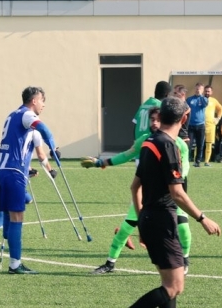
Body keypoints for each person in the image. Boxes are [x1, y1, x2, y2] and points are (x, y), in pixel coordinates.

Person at [129, 98, 221, 308]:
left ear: (160, 116)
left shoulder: (149, 142)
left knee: (169, 284)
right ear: (185, 118)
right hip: (162, 220)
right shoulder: (168, 145)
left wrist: (142, 220)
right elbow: (177, 193)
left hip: (149, 218)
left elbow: (135, 187)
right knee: (174, 287)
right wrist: (202, 218)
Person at [82, 103, 193, 276]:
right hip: (147, 195)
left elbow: (184, 169)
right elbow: (126, 155)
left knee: (184, 229)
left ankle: (185, 260)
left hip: (172, 195)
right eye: (152, 119)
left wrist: (171, 179)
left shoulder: (179, 145)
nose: (154, 123)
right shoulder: (145, 141)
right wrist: (100, 163)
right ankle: (110, 263)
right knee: (125, 229)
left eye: (158, 119)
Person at [0, 86, 58, 274]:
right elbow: (44, 128)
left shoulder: (12, 115)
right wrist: (54, 147)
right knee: (17, 217)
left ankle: (10, 250)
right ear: (34, 100)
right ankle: (15, 264)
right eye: (42, 100)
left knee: (9, 216)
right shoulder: (27, 115)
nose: (43, 105)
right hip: (14, 171)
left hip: (0, 170)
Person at [0, 131, 57, 244]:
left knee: (25, 200)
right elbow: (39, 155)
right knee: (10, 207)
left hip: (2, 172)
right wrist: (50, 170)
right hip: (13, 175)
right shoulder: (32, 133)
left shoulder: (14, 135)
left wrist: (29, 170)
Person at [186, 83, 208, 167]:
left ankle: (197, 161)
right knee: (189, 144)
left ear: (202, 90)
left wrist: (201, 96)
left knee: (200, 144)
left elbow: (205, 104)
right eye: (196, 88)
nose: (197, 90)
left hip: (200, 125)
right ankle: (187, 160)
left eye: (199, 89)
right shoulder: (189, 99)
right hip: (191, 125)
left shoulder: (204, 99)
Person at [203, 85, 222, 166]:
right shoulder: (200, 99)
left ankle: (206, 161)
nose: (207, 93)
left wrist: (218, 118)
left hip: (211, 125)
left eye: (208, 91)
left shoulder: (214, 101)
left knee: (209, 144)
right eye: (206, 91)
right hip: (200, 124)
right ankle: (196, 161)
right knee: (199, 144)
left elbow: (221, 109)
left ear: (211, 92)